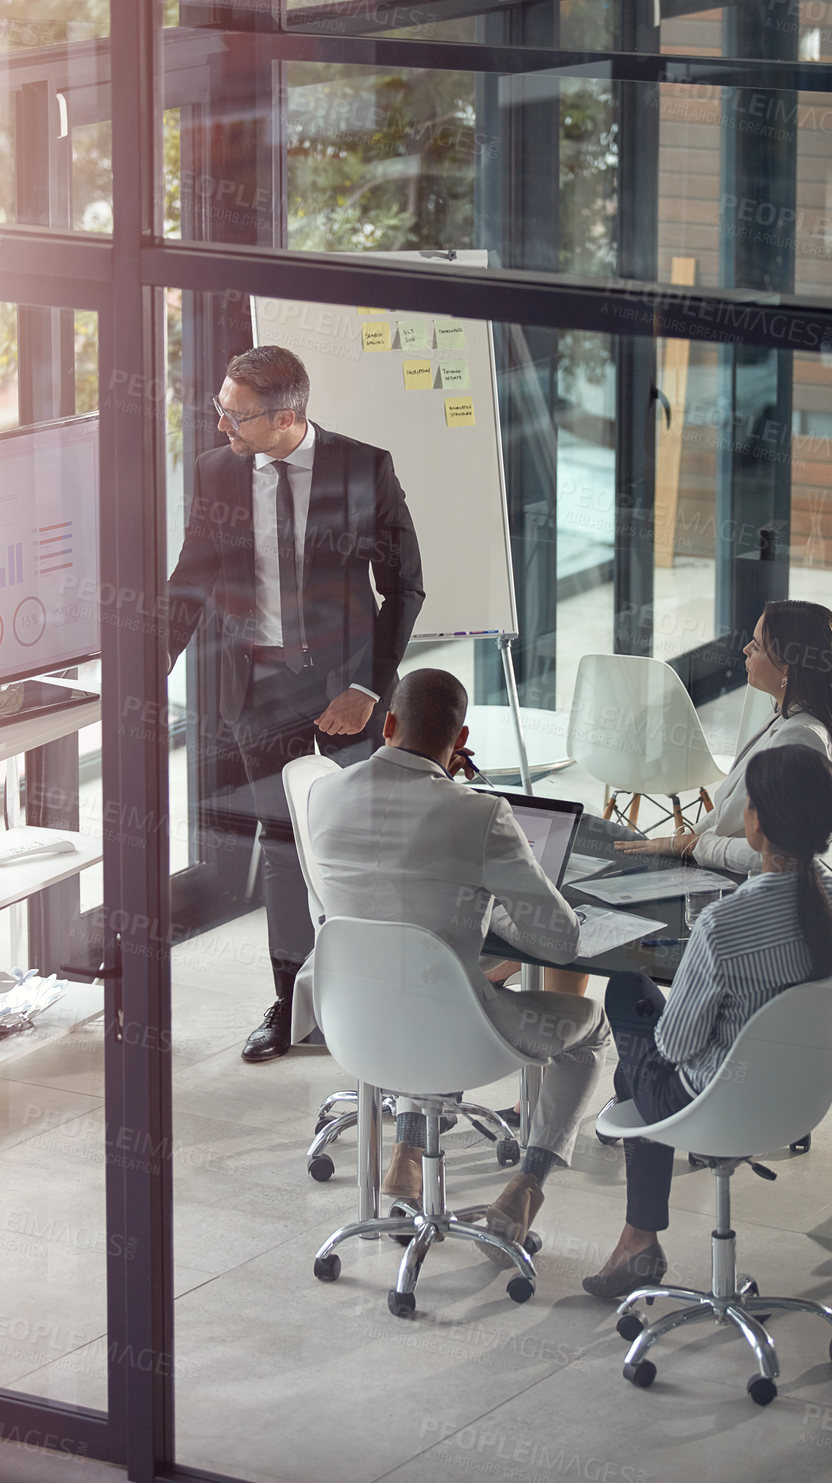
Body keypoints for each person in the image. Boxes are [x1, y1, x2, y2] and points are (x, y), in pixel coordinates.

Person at [166, 345, 424, 1063]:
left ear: (286, 417)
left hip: (345, 687)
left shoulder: (362, 469)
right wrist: (144, 670)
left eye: (235, 414)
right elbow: (189, 583)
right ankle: (292, 1005)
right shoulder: (218, 471)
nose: (221, 424)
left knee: (358, 846)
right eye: (220, 407)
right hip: (255, 690)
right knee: (281, 851)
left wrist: (369, 687)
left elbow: (405, 587)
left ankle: (378, 995)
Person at [307, 667, 611, 1260]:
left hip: (353, 1020)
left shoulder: (326, 793)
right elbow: (558, 944)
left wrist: (472, 901)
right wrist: (497, 900)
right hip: (450, 1027)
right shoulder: (481, 814)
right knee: (588, 1030)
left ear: (388, 723)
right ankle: (525, 1190)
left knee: (435, 984)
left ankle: (408, 1153)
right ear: (461, 736)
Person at [582, 745, 832, 1300]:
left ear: (756, 823)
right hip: (800, 1102)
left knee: (628, 990)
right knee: (630, 1079)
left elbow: (673, 1046)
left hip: (710, 1100)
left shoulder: (723, 924)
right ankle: (635, 1239)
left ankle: (640, 1238)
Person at [616, 599, 832, 877]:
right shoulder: (785, 715)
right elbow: (728, 811)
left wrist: (693, 846)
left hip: (749, 887)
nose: (745, 649)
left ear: (788, 669)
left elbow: (780, 856)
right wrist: (681, 842)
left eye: (756, 646)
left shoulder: (802, 740)